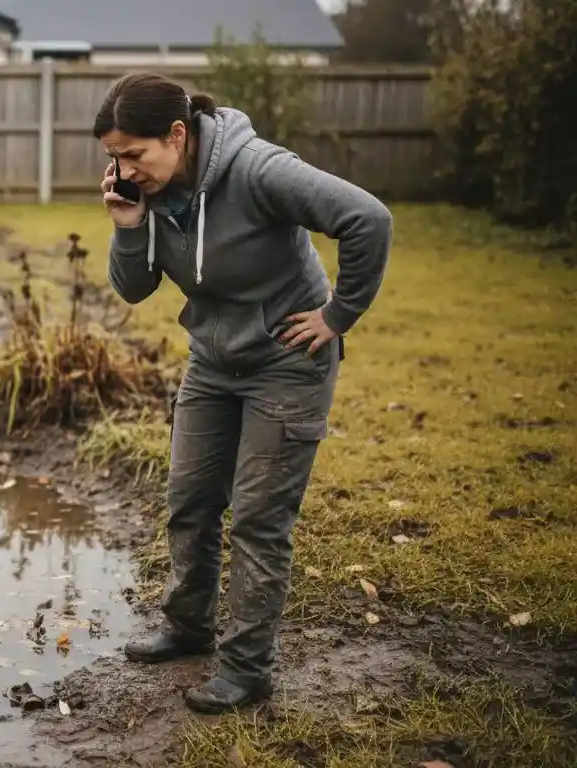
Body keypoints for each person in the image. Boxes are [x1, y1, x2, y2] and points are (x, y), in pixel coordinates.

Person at [96, 73, 392, 714]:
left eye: (135, 154)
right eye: (115, 158)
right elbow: (134, 288)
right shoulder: (150, 190)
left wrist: (338, 315)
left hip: (287, 362)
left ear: (177, 134)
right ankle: (187, 627)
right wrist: (128, 224)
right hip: (213, 361)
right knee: (190, 500)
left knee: (259, 521)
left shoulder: (259, 170)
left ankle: (247, 668)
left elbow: (368, 219)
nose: (125, 170)